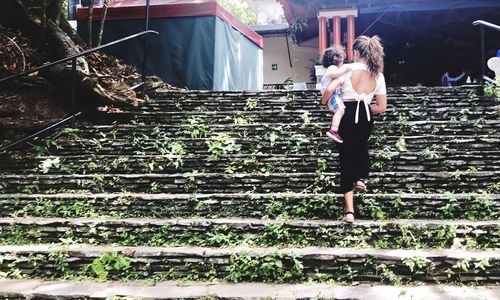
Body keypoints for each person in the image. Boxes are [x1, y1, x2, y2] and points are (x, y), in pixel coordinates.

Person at [322, 35, 387, 223]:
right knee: (360, 147)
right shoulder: (378, 75)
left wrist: (325, 103)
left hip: (348, 112)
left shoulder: (348, 69)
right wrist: (366, 109)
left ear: (356, 53)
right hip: (366, 115)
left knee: (346, 158)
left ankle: (349, 212)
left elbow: (330, 88)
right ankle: (361, 179)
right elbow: (381, 107)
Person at [319, 46, 351, 143]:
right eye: (342, 58)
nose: (343, 61)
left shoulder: (330, 69)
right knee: (340, 110)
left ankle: (335, 129)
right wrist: (346, 69)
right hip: (332, 95)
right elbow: (335, 74)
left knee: (340, 110)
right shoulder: (332, 68)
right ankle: (333, 130)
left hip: (333, 95)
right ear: (336, 59)